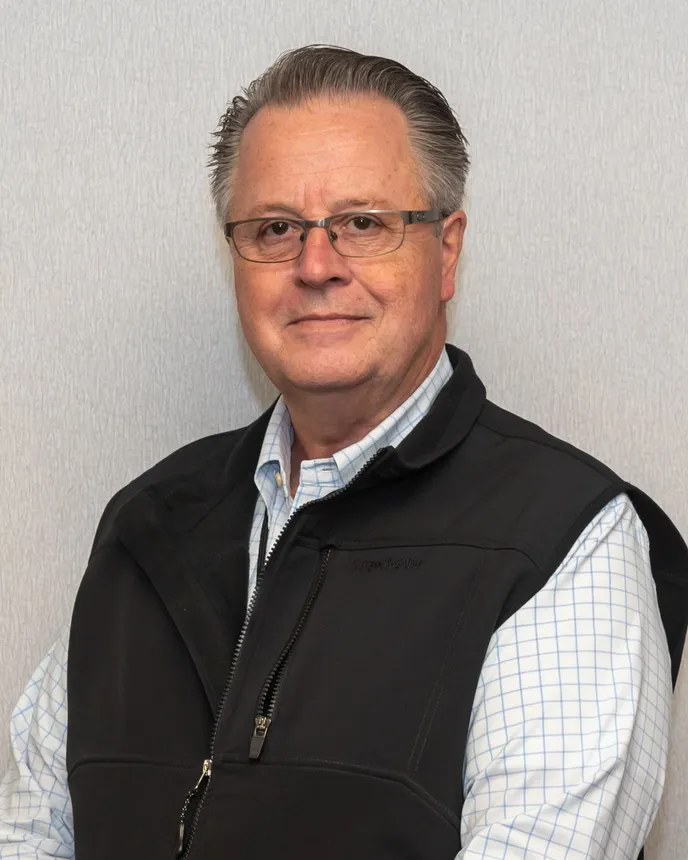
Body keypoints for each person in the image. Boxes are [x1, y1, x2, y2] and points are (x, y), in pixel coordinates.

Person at [1, 44, 687, 860]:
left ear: (448, 250)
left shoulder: (564, 540)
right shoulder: (145, 526)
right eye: (276, 228)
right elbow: (27, 828)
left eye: (364, 223)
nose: (316, 266)